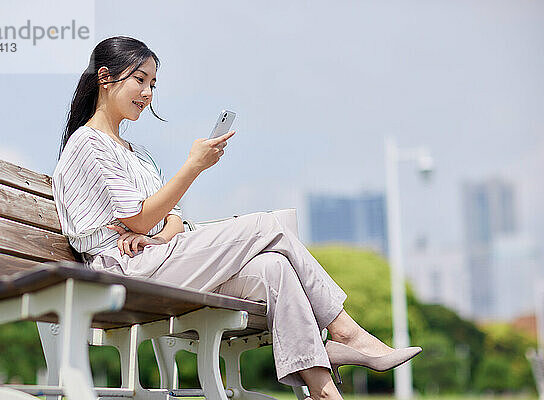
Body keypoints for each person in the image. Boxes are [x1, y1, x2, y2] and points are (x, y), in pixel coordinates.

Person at [52, 36, 421, 400]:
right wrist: (192, 168)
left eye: (152, 84)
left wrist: (157, 236)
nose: (148, 93)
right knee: (267, 226)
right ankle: (343, 331)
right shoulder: (88, 144)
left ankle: (324, 391)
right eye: (140, 79)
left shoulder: (139, 154)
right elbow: (139, 219)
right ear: (105, 77)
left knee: (274, 267)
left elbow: (172, 219)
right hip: (122, 272)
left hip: (157, 258)